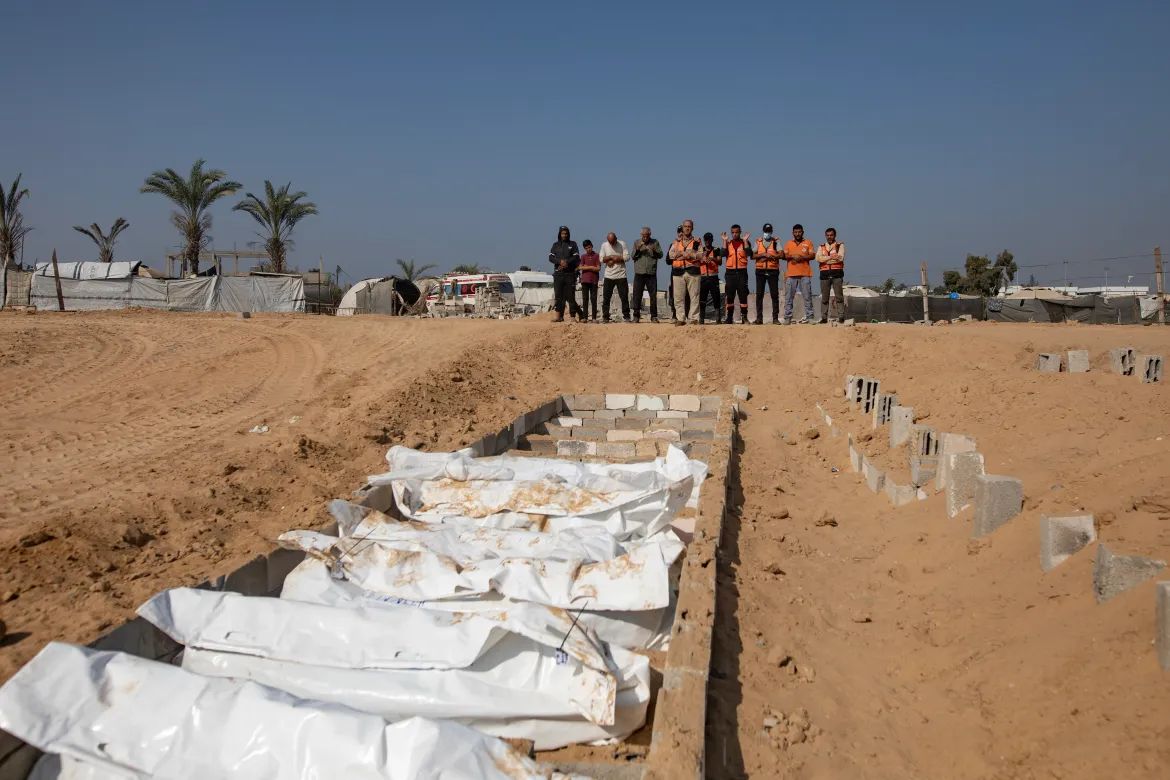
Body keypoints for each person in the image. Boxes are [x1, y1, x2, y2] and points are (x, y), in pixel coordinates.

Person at [668, 220, 703, 326]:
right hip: (678, 272)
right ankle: (680, 318)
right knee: (678, 297)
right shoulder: (676, 242)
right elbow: (671, 255)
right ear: (682, 228)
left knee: (694, 296)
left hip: (693, 272)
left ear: (692, 228)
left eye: (689, 226)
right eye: (685, 226)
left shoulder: (696, 242)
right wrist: (683, 254)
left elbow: (700, 255)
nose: (687, 228)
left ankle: (693, 318)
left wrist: (687, 255)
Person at [783, 223, 816, 324]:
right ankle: (787, 317)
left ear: (803, 232)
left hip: (805, 273)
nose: (797, 234)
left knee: (807, 296)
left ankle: (810, 316)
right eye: (795, 232)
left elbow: (812, 255)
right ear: (793, 233)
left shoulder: (808, 243)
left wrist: (801, 257)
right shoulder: (788, 243)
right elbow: (784, 256)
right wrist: (794, 256)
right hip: (791, 274)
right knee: (789, 297)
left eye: (799, 232)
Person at [548, 225, 582, 322]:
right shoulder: (555, 245)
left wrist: (566, 263)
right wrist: (559, 262)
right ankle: (559, 316)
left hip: (569, 274)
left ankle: (572, 316)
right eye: (563, 233)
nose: (564, 235)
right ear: (560, 234)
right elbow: (550, 258)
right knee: (558, 296)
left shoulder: (573, 244)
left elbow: (576, 257)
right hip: (558, 274)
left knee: (570, 296)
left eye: (566, 234)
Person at [630, 226, 663, 323]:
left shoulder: (655, 242)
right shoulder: (637, 242)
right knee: (637, 295)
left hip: (650, 272)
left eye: (646, 236)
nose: (645, 238)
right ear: (641, 235)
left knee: (652, 295)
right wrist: (638, 249)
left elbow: (660, 255)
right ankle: (636, 316)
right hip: (639, 272)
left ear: (650, 235)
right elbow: (633, 256)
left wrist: (654, 250)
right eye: (643, 236)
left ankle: (654, 316)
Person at [721, 224, 752, 324]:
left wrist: (746, 240)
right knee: (730, 296)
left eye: (736, 232)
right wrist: (724, 241)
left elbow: (749, 253)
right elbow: (722, 254)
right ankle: (729, 318)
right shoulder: (728, 243)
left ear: (740, 232)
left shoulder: (744, 243)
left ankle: (744, 318)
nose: (734, 234)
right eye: (733, 233)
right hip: (730, 273)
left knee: (743, 295)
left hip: (742, 272)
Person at [816, 228, 846, 323]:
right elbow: (818, 258)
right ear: (825, 236)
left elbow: (840, 258)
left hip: (837, 274)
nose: (829, 237)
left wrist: (824, 259)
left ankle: (841, 316)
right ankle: (824, 317)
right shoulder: (821, 246)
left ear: (834, 235)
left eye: (831, 235)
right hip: (824, 274)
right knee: (825, 298)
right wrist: (830, 257)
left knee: (839, 297)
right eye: (827, 235)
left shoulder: (839, 245)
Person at [754, 223, 783, 324]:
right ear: (763, 231)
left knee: (774, 295)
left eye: (769, 231)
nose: (767, 233)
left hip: (773, 270)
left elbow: (781, 254)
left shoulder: (776, 241)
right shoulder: (758, 241)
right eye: (766, 231)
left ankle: (775, 318)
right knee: (759, 295)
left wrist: (772, 257)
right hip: (760, 271)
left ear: (772, 232)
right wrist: (763, 254)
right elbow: (753, 255)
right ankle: (759, 318)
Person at [599, 232, 630, 323]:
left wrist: (618, 258)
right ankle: (605, 317)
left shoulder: (622, 244)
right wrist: (610, 258)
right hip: (609, 275)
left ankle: (627, 316)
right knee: (606, 297)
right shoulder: (604, 245)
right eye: (610, 242)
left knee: (624, 297)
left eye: (613, 242)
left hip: (621, 275)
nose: (612, 244)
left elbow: (627, 257)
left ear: (616, 238)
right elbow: (601, 259)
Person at [698, 232, 722, 324]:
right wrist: (702, 259)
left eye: (709, 239)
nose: (708, 241)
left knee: (716, 298)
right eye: (706, 240)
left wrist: (712, 259)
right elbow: (696, 260)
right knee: (702, 299)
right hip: (703, 277)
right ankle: (701, 319)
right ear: (704, 240)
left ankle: (718, 319)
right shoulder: (701, 250)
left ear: (712, 240)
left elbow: (720, 261)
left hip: (713, 277)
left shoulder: (716, 250)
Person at [578, 239, 601, 322]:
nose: (588, 249)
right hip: (585, 280)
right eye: (587, 248)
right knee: (585, 299)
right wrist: (591, 267)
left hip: (594, 280)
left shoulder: (597, 255)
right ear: (584, 249)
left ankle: (594, 318)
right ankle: (585, 317)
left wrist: (587, 267)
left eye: (589, 247)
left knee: (593, 299)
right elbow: (580, 267)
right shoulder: (583, 256)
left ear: (592, 246)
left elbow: (598, 268)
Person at [668, 225, 683, 321]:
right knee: (674, 294)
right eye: (679, 232)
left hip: (688, 272)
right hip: (676, 272)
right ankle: (675, 315)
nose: (681, 233)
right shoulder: (673, 244)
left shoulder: (691, 244)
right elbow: (668, 260)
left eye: (682, 231)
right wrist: (677, 255)